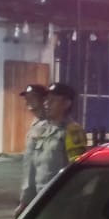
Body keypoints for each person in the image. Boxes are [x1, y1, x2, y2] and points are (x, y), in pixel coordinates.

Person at [23, 83, 86, 212]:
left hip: (59, 201)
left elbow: (77, 171)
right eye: (46, 99)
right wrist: (25, 200)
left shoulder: (72, 131)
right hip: (38, 199)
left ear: (66, 104)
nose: (47, 103)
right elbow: (30, 169)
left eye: (53, 100)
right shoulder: (39, 129)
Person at [17, 84, 49, 210]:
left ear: (43, 99)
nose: (28, 102)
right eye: (27, 98)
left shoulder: (52, 124)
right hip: (35, 192)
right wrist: (25, 198)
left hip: (48, 192)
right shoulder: (36, 123)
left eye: (32, 98)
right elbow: (30, 165)